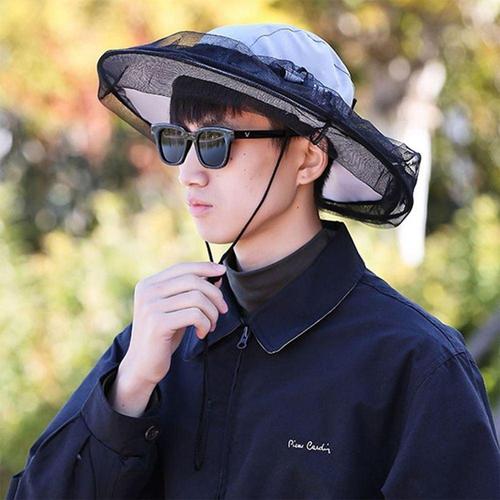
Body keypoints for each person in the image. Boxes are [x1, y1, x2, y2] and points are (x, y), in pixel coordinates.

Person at [8, 23, 500, 500]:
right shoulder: (161, 337)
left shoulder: (414, 362)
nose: (188, 174)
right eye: (177, 141)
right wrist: (130, 388)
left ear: (308, 158)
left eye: (215, 142)